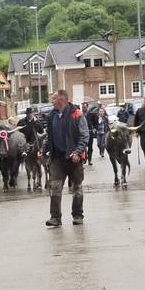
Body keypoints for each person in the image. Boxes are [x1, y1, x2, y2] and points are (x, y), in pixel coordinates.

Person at [43, 89, 89, 227]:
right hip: (57, 159)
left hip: (74, 159)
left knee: (77, 188)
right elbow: (49, 137)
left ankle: (77, 216)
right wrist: (43, 149)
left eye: (54, 99)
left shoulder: (77, 114)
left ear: (62, 100)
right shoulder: (51, 116)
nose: (52, 101)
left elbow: (84, 135)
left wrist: (78, 152)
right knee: (55, 187)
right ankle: (55, 218)